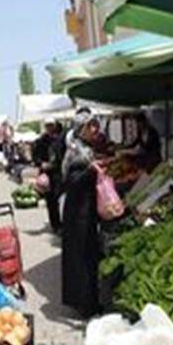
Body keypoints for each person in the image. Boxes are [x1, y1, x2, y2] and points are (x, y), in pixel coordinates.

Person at [61, 112, 102, 319]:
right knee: (81, 256)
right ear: (80, 129)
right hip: (78, 212)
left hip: (86, 209)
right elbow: (70, 183)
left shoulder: (86, 149)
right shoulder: (75, 150)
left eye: (96, 125)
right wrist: (91, 172)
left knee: (89, 254)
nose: (96, 129)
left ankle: (90, 301)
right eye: (91, 126)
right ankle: (84, 304)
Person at [33, 118, 62, 233]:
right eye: (47, 125)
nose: (50, 127)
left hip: (59, 173)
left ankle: (64, 223)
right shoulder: (41, 141)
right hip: (48, 174)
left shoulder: (61, 138)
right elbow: (35, 157)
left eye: (51, 125)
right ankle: (56, 225)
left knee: (61, 198)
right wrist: (41, 164)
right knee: (51, 201)